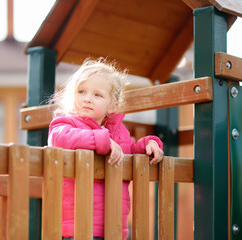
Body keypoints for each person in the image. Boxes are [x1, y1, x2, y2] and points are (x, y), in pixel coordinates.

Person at [47, 57, 164, 240]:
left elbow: (130, 153)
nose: (87, 99)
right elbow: (58, 137)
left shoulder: (119, 133)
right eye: (81, 92)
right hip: (76, 226)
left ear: (112, 106)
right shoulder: (67, 123)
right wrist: (102, 140)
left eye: (97, 95)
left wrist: (149, 145)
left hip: (113, 226)